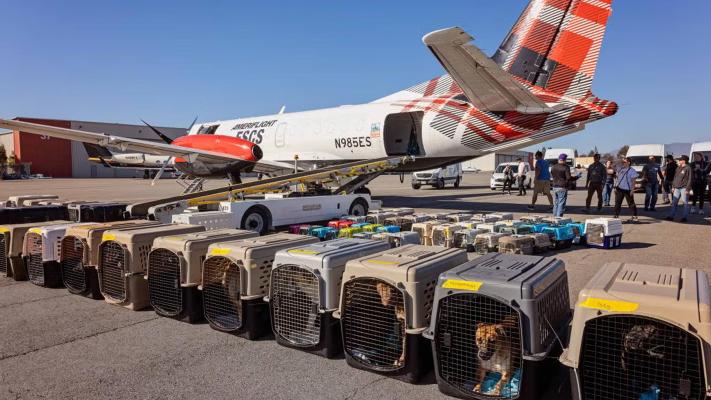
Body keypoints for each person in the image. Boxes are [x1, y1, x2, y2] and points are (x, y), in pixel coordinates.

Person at [666, 155, 693, 222]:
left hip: (684, 188)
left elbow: (690, 179)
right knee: (674, 202)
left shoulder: (688, 168)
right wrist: (673, 186)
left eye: (680, 160)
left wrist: (688, 189)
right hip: (676, 188)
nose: (678, 161)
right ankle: (671, 216)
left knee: (685, 203)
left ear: (683, 161)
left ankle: (684, 217)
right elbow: (675, 178)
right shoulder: (678, 168)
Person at [613, 157, 639, 222]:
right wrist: (619, 160)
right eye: (622, 162)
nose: (623, 163)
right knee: (617, 203)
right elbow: (613, 166)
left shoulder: (632, 170)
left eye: (624, 162)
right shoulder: (620, 169)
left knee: (631, 203)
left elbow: (633, 181)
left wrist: (632, 190)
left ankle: (634, 216)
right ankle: (616, 215)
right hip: (619, 189)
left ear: (628, 163)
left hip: (628, 189)